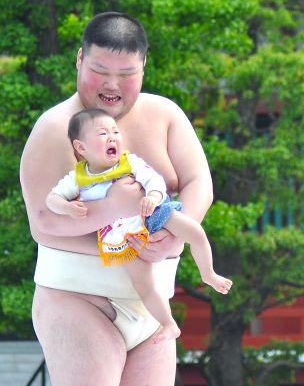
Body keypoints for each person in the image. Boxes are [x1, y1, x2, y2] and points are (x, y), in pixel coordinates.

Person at [21, 11, 214, 386]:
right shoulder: (55, 128)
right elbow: (43, 222)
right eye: (99, 70)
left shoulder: (165, 115)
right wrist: (110, 209)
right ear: (78, 60)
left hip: (152, 301)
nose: (111, 85)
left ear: (144, 67)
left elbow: (199, 181)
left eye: (126, 73)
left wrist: (178, 234)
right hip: (79, 298)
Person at [45, 108, 232, 343]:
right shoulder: (78, 178)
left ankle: (208, 273)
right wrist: (67, 207)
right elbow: (52, 199)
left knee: (195, 231)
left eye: (115, 131)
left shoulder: (129, 161)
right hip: (122, 233)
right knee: (143, 285)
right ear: (81, 147)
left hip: (150, 213)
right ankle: (168, 323)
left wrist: (153, 196)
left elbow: (154, 180)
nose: (112, 137)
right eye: (103, 133)